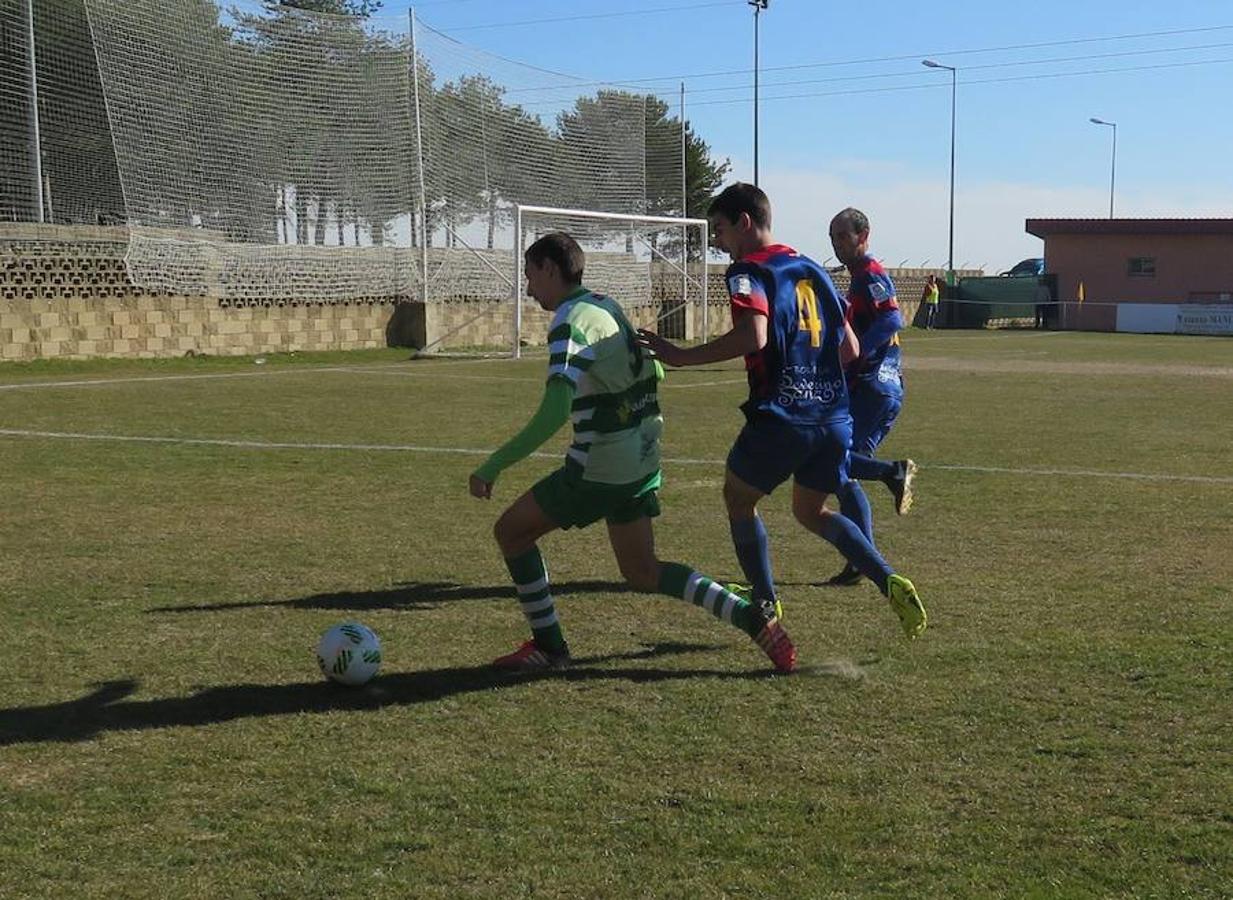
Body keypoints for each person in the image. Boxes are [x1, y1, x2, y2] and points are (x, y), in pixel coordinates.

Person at [469, 232, 796, 673]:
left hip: (600, 467)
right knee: (642, 571)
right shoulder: (607, 306)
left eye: (530, 277)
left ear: (549, 269)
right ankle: (749, 615)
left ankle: (550, 647)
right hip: (643, 457)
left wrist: (494, 464)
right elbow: (653, 366)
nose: (528, 290)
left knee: (511, 532)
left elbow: (554, 410)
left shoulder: (570, 320)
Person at [637, 184, 926, 640]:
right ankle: (888, 579)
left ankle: (766, 603)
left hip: (782, 415)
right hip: (833, 417)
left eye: (721, 229)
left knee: (738, 498)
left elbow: (754, 337)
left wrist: (679, 356)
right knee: (812, 511)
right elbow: (850, 349)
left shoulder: (747, 271)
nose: (719, 240)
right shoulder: (815, 269)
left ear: (745, 223)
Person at [823, 208, 918, 587]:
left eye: (842, 236)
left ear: (864, 236)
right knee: (842, 475)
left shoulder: (871, 273)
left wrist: (858, 352)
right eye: (833, 237)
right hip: (874, 386)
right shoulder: (857, 278)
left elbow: (893, 319)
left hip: (877, 386)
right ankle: (861, 561)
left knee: (838, 463)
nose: (837, 244)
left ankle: (893, 472)